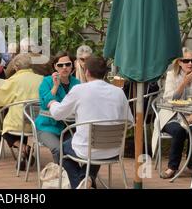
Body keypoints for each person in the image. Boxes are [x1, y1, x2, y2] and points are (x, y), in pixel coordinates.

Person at [48, 56, 134, 189]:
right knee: (94, 144)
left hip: (87, 149)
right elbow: (129, 121)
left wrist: (53, 103)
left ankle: (81, 182)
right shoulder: (119, 92)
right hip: (114, 150)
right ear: (105, 73)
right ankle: (87, 179)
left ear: (86, 72)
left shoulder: (79, 90)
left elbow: (58, 114)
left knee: (61, 150)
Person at [152, 48, 192, 179]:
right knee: (179, 131)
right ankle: (172, 167)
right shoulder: (172, 75)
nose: (190, 63)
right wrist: (184, 83)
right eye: (186, 60)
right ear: (179, 63)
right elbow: (169, 99)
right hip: (172, 115)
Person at [0, 54, 44, 170]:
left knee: (5, 130)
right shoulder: (41, 79)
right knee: (19, 123)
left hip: (19, 122)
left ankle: (24, 148)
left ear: (16, 67)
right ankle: (23, 156)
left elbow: (0, 99)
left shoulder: (14, 80)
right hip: (37, 122)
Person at [35, 51, 80, 164]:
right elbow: (45, 104)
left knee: (77, 149)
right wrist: (55, 86)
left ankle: (74, 175)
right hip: (47, 126)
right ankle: (62, 176)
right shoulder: (47, 81)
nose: (64, 67)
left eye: (67, 64)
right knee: (58, 149)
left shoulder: (76, 83)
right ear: (55, 67)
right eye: (60, 65)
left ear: (72, 66)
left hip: (69, 126)